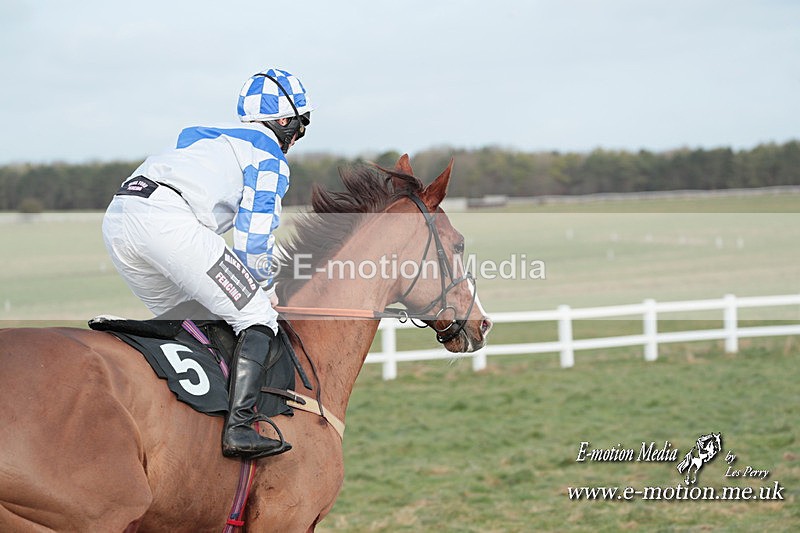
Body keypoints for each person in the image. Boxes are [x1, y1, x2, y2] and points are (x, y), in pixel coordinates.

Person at [102, 68, 312, 460]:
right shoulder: (268, 157)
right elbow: (252, 245)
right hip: (168, 222)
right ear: (285, 121)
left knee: (195, 321)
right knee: (256, 315)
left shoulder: (203, 136)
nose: (298, 137)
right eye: (302, 125)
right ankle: (240, 429)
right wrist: (264, 292)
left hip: (118, 219)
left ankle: (187, 421)